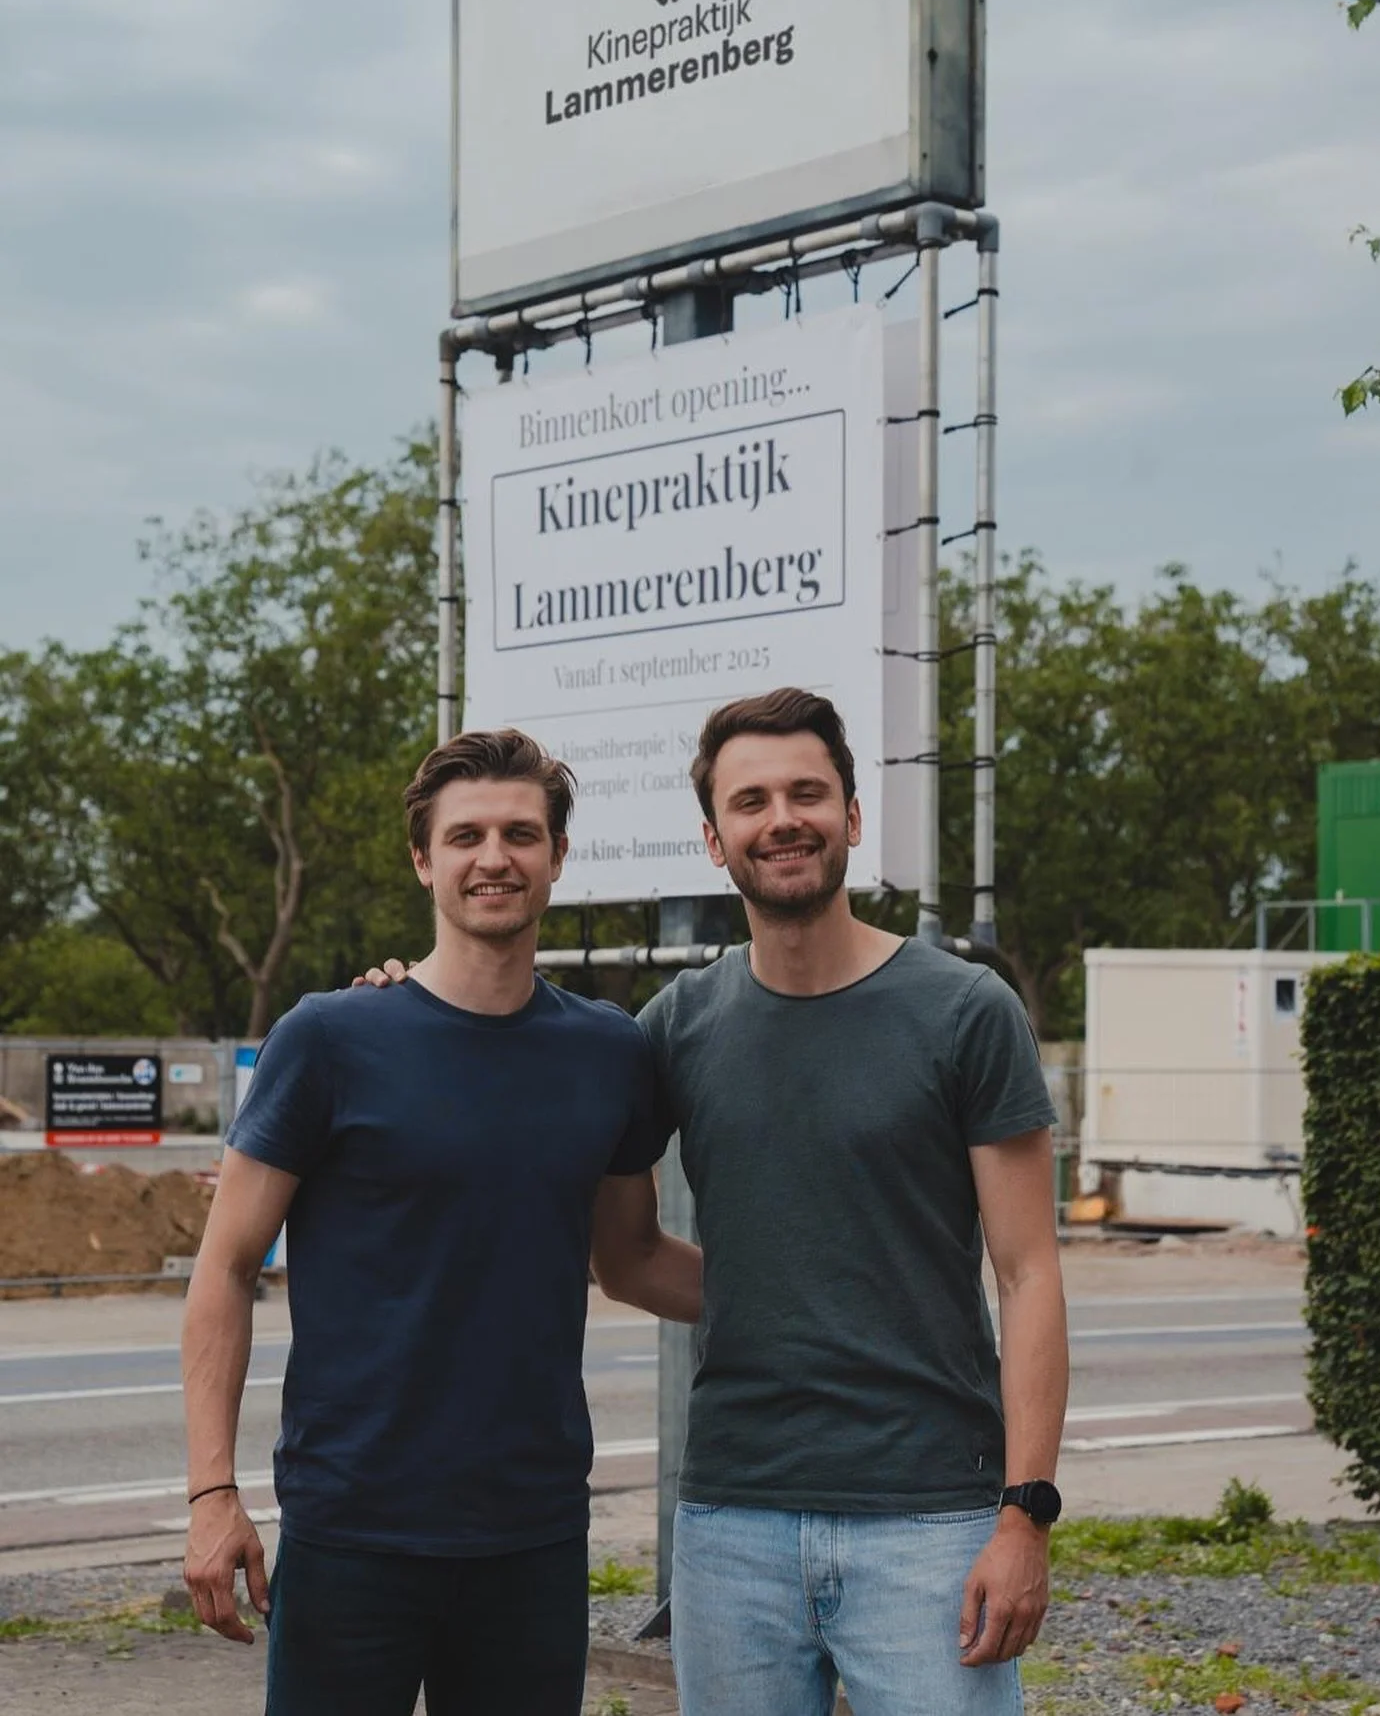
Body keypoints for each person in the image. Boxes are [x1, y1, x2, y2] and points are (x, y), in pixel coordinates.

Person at [363, 689, 1069, 1716]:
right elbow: (627, 1255)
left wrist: (1025, 1512)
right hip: (730, 1517)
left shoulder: (964, 1010)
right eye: (750, 800)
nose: (780, 817)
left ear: (852, 816)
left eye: (806, 793)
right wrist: (400, 1006)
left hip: (928, 1516)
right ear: (712, 837)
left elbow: (1028, 1271)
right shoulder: (676, 1027)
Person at [182, 728, 700, 1716]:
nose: (493, 856)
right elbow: (225, 1264)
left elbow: (630, 1258)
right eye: (465, 836)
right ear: (424, 859)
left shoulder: (608, 1053)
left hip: (533, 1533)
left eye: (519, 832)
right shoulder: (329, 1037)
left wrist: (810, 1299)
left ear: (556, 856)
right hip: (351, 1527)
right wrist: (213, 1493)